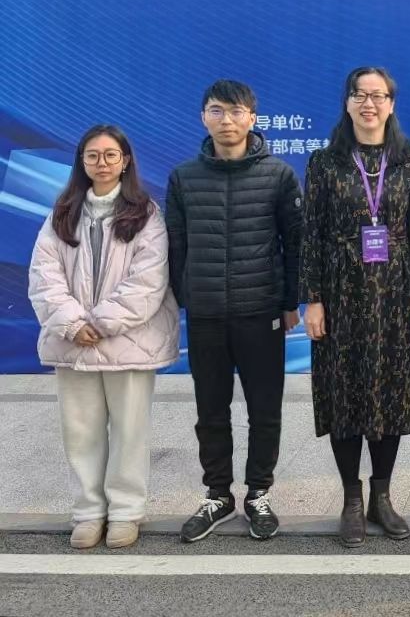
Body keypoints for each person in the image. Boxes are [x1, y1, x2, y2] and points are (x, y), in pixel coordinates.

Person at [29, 125, 179, 550]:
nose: (102, 163)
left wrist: (102, 323)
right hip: (73, 341)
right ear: (82, 162)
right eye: (93, 155)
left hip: (128, 342)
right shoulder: (62, 212)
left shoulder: (146, 214)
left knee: (130, 432)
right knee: (81, 432)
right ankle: (88, 513)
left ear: (125, 161)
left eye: (111, 155)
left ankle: (127, 512)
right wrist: (73, 323)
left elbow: (148, 281)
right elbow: (44, 275)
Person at [166, 80, 303, 543]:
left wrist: (289, 302)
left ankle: (258, 492)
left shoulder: (278, 175)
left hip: (260, 311)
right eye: (216, 111)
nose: (227, 120)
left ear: (252, 118)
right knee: (210, 410)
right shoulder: (184, 177)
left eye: (236, 111)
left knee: (264, 410)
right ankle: (218, 494)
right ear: (203, 117)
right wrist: (187, 295)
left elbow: (295, 244)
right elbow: (176, 245)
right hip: (206, 314)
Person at [300, 66, 410, 547]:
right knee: (344, 391)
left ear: (391, 104)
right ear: (348, 103)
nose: (369, 103)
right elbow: (311, 234)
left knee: (390, 390)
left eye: (378, 95)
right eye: (360, 94)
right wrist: (313, 299)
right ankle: (352, 500)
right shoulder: (325, 162)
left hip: (393, 293)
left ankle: (382, 495)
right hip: (341, 291)